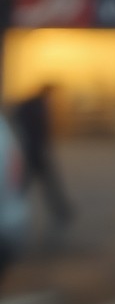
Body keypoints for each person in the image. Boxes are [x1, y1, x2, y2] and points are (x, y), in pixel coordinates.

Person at [12, 85, 74, 227]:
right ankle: (61, 210)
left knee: (40, 184)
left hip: (35, 151)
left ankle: (61, 210)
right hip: (34, 152)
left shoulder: (35, 104)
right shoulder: (34, 104)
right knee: (29, 184)